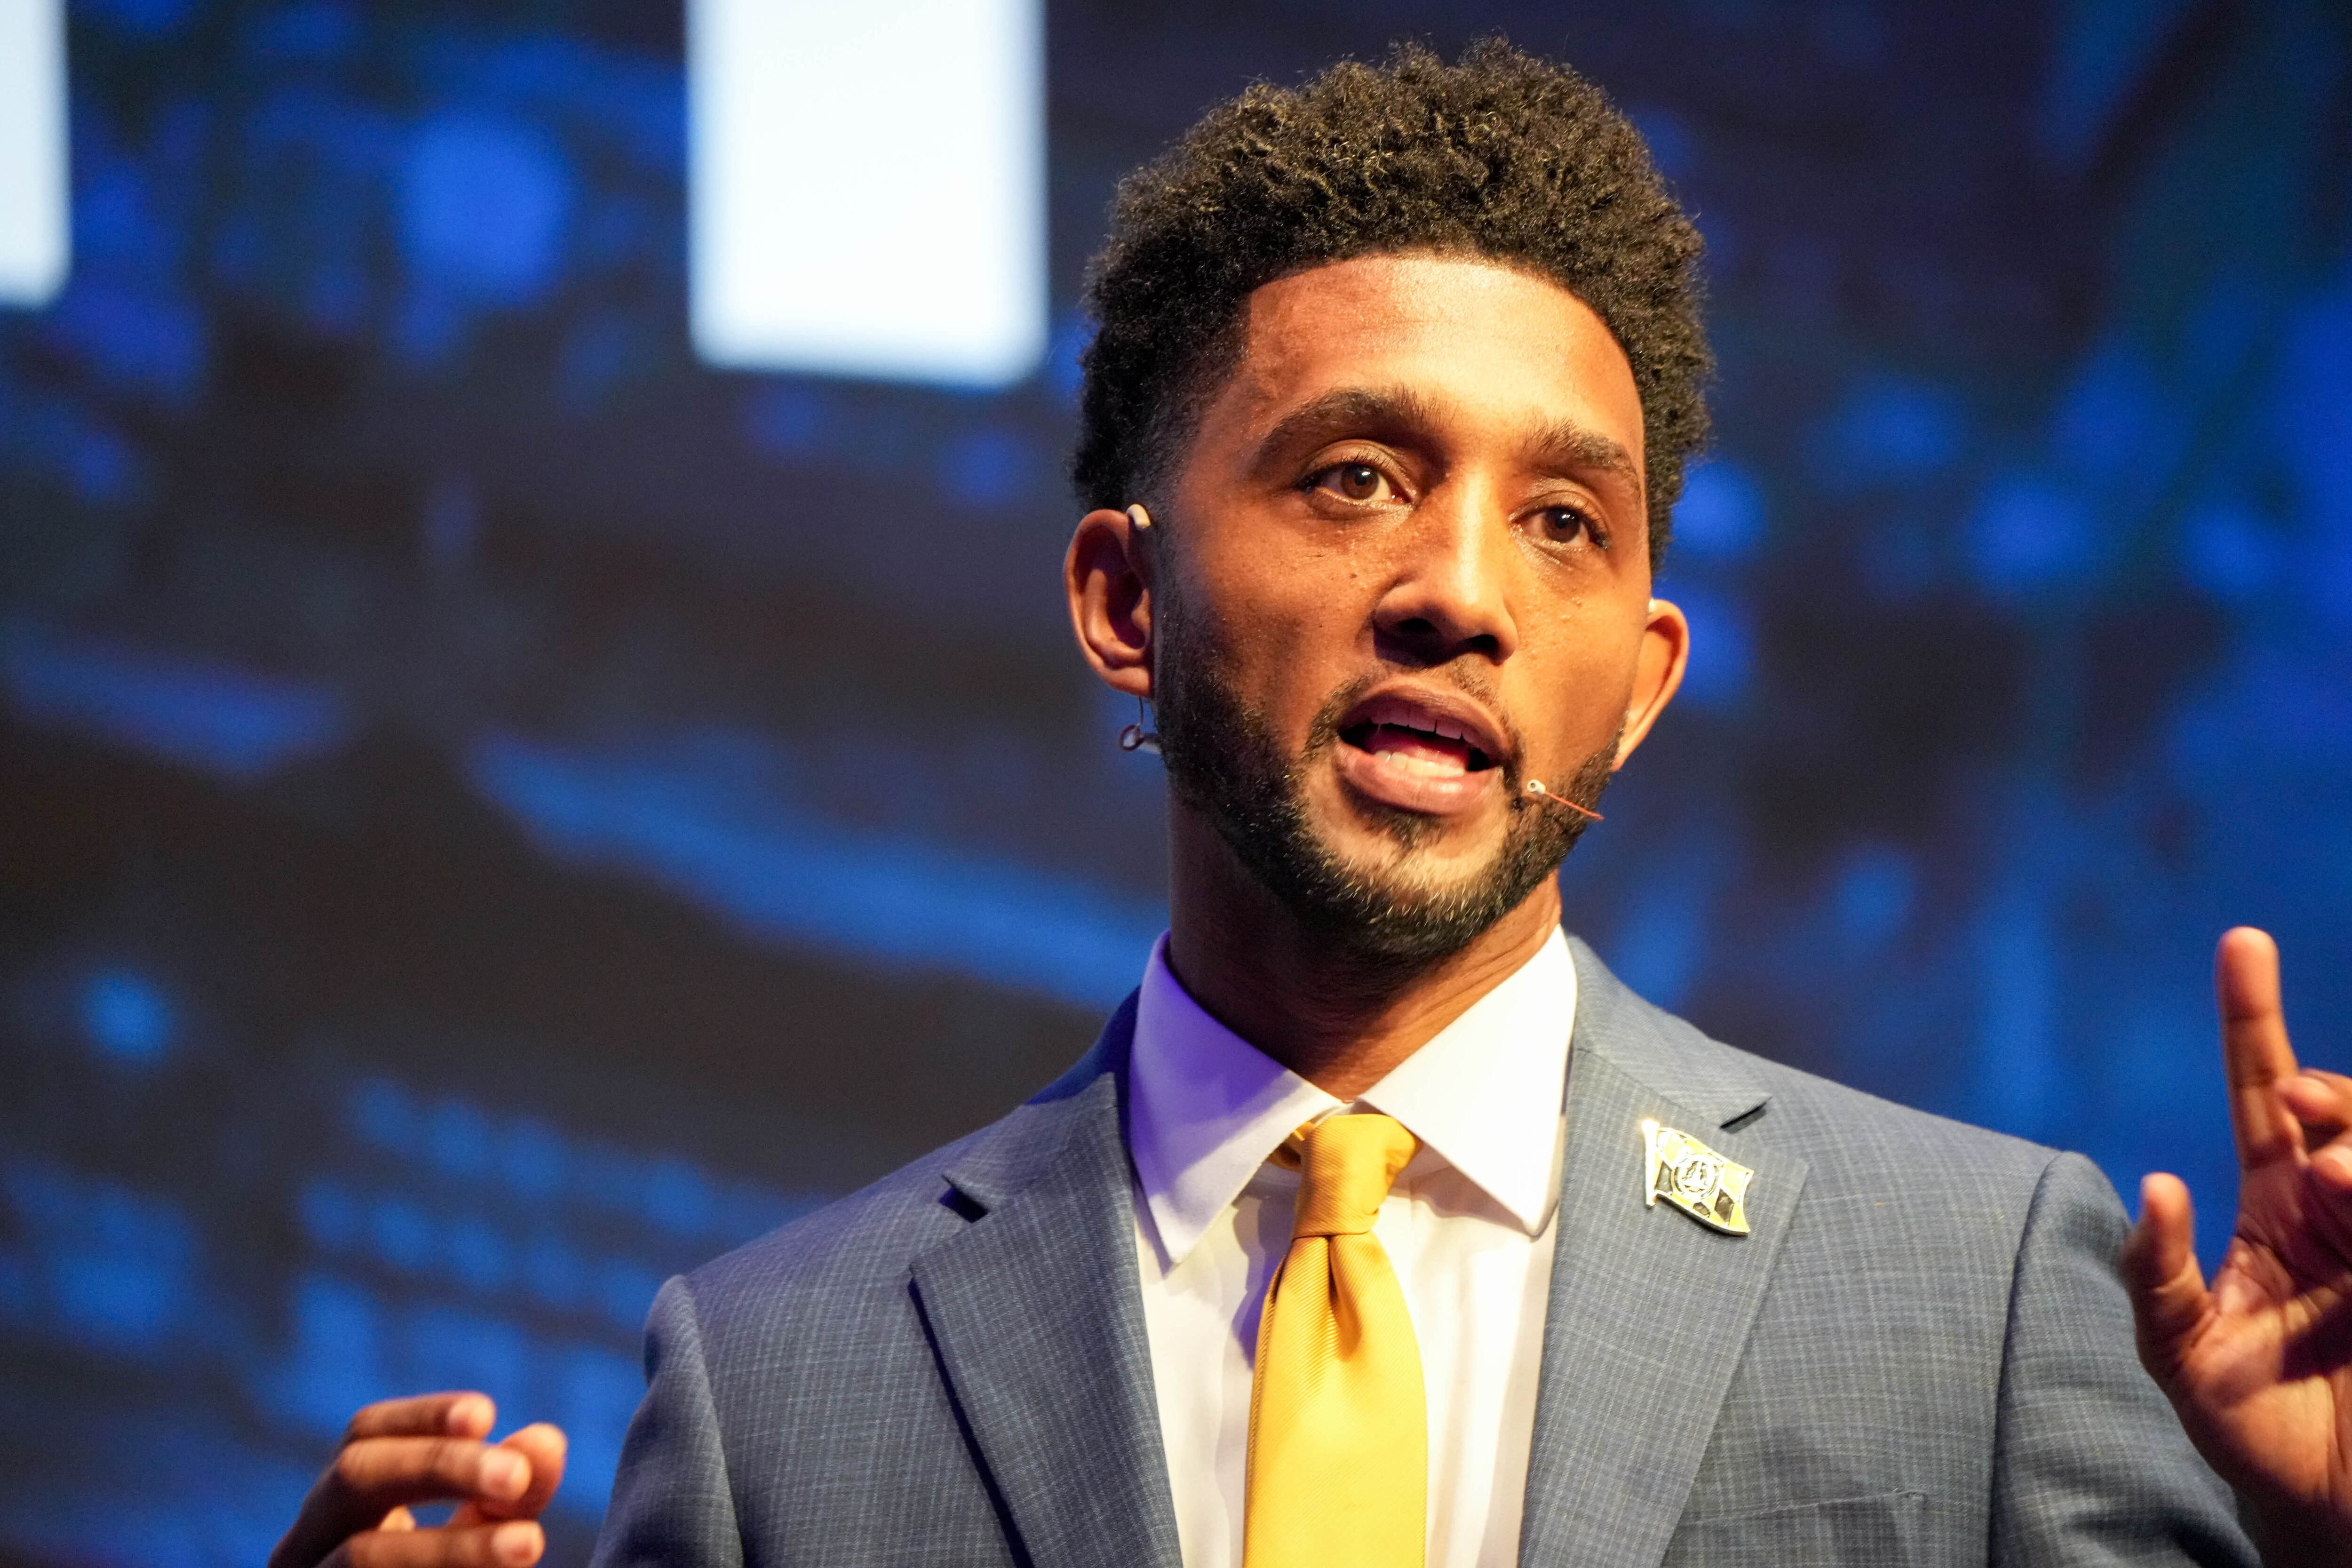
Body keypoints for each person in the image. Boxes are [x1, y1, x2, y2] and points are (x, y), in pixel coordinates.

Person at [269, 42, 2352, 1568]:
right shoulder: (775, 1390)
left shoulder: (1982, 1290)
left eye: (1562, 520)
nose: (1460, 590)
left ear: (1639, 686)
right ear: (1126, 601)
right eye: (1355, 478)